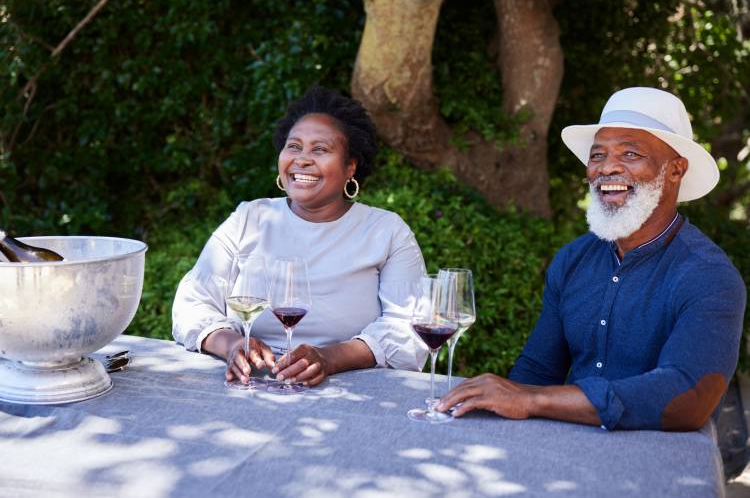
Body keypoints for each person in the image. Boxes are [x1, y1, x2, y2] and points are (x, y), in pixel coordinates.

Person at [437, 87, 747, 431]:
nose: (607, 168)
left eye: (630, 153)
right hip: (566, 450)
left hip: (660, 467)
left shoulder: (709, 276)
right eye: (597, 155)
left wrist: (532, 401)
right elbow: (537, 372)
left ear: (676, 170)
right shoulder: (573, 259)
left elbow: (685, 399)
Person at [172, 86, 427, 386]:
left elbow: (410, 331)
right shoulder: (250, 218)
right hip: (249, 382)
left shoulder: (387, 231)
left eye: (320, 149)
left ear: (350, 167)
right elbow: (191, 303)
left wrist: (329, 358)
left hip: (352, 389)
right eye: (294, 146)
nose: (302, 159)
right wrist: (230, 345)